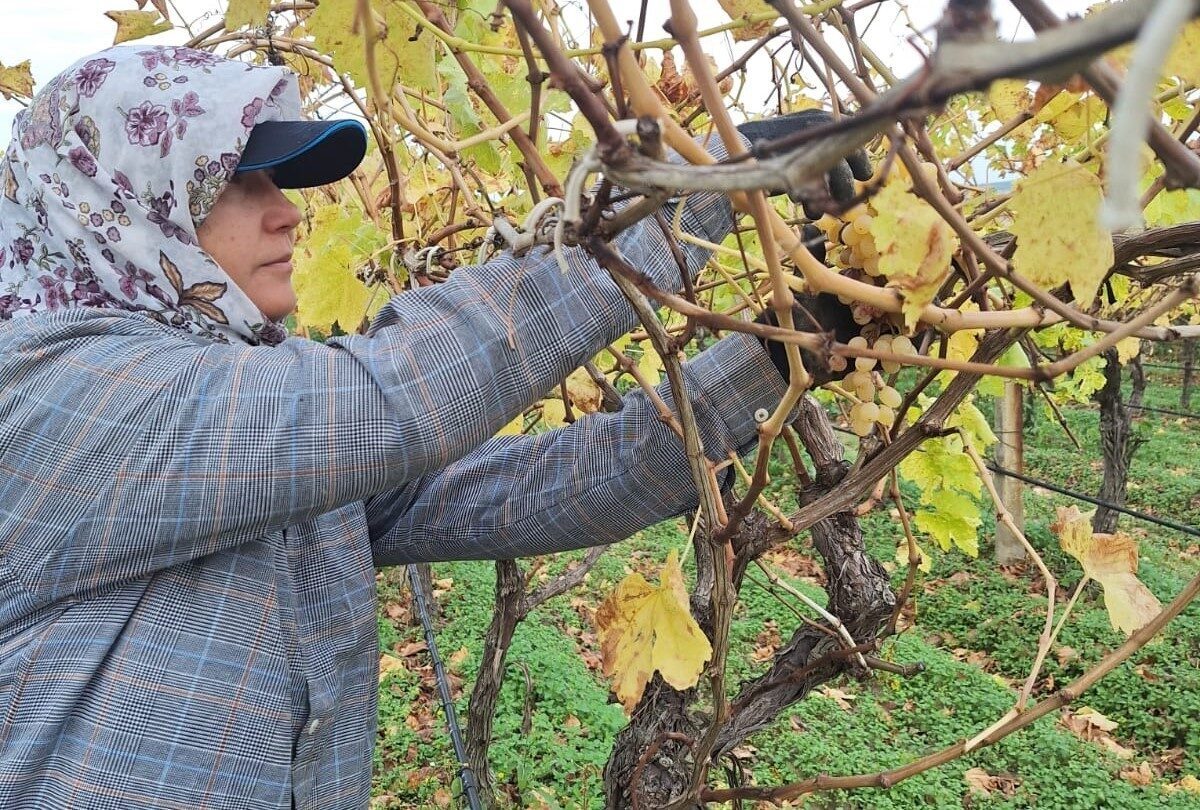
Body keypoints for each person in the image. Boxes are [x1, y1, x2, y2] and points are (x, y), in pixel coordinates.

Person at [0, 44, 866, 809]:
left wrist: (782, 360)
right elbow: (399, 392)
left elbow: (529, 492)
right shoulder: (53, 391)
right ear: (115, 201)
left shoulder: (250, 418)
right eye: (242, 178)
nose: (289, 212)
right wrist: (711, 174)